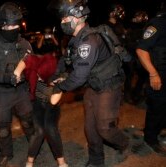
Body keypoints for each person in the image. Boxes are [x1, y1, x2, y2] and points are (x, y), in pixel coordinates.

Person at [48, 0, 129, 166]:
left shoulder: (89, 41)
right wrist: (57, 75)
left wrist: (60, 87)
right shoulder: (75, 40)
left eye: (64, 19)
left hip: (109, 86)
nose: (62, 22)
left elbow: (78, 78)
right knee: (91, 129)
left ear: (76, 18)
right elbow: (66, 59)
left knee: (105, 128)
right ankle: (96, 160)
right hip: (93, 86)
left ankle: (123, 143)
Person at [0, 2, 35, 166]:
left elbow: (32, 64)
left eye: (15, 26)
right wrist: (5, 78)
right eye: (9, 26)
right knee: (2, 128)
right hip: (2, 93)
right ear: (1, 25)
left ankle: (34, 144)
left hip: (22, 91)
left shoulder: (24, 43)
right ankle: (6, 153)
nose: (13, 30)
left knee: (28, 121)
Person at [13, 53, 67, 167]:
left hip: (51, 104)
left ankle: (61, 162)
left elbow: (53, 101)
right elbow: (27, 59)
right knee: (39, 131)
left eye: (41, 76)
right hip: (36, 102)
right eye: (38, 74)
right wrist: (17, 72)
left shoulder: (59, 75)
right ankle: (29, 161)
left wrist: (58, 86)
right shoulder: (37, 65)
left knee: (50, 128)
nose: (38, 77)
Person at [136, 2, 166, 156]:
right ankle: (150, 138)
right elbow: (141, 50)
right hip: (158, 76)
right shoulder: (158, 23)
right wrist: (153, 74)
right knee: (157, 108)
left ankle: (158, 131)